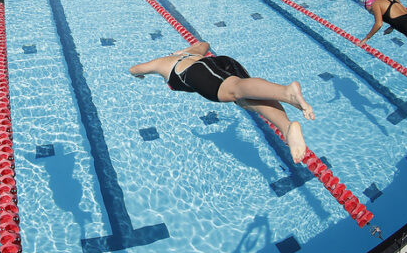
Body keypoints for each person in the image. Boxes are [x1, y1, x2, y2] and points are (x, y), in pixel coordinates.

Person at [128, 41, 315, 163]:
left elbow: (134, 69)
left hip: (198, 72)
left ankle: (286, 92)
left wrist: (140, 75)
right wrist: (186, 50)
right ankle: (287, 128)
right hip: (222, 63)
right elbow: (204, 44)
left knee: (236, 89)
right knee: (247, 99)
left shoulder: (162, 62)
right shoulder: (192, 51)